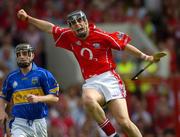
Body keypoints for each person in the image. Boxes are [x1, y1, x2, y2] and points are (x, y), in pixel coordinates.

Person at [17, 9, 157, 137]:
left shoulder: (101, 35)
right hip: (91, 82)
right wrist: (28, 18)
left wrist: (145, 57)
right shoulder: (69, 36)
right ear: (71, 27)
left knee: (124, 123)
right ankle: (113, 135)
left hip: (110, 78)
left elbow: (124, 46)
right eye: (73, 24)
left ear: (85, 22)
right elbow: (49, 28)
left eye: (80, 21)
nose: (78, 25)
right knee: (88, 99)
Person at [0, 43, 59, 137]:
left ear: (32, 55)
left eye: (25, 53)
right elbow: (3, 97)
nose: (21, 56)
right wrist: (2, 111)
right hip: (19, 122)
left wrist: (38, 99)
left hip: (39, 122)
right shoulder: (11, 77)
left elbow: (55, 98)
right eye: (18, 54)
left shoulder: (43, 74)